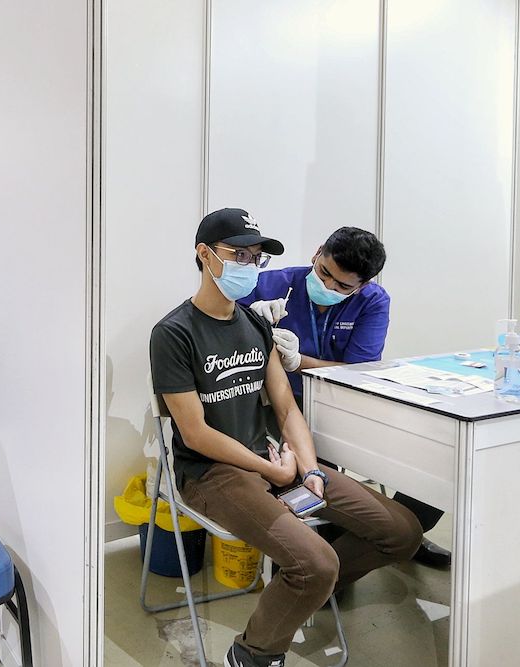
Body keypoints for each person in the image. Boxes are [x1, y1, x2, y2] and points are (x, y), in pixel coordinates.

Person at [150, 208, 422, 667]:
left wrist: (311, 469)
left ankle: (305, 589)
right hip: (213, 473)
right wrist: (271, 468)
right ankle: (254, 653)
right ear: (204, 254)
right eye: (238, 254)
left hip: (277, 458)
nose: (248, 266)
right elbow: (194, 434)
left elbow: (287, 407)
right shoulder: (174, 333)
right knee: (316, 563)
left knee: (402, 533)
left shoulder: (255, 324)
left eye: (255, 257)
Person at [240, 227, 451, 568]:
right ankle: (333, 555)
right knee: (313, 473)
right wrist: (248, 324)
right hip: (277, 407)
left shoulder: (372, 302)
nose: (328, 287)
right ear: (317, 252)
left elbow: (357, 371)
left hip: (345, 406)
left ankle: (398, 534)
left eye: (343, 286)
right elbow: (225, 350)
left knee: (437, 460)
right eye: (324, 273)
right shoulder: (270, 285)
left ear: (362, 285)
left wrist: (298, 362)